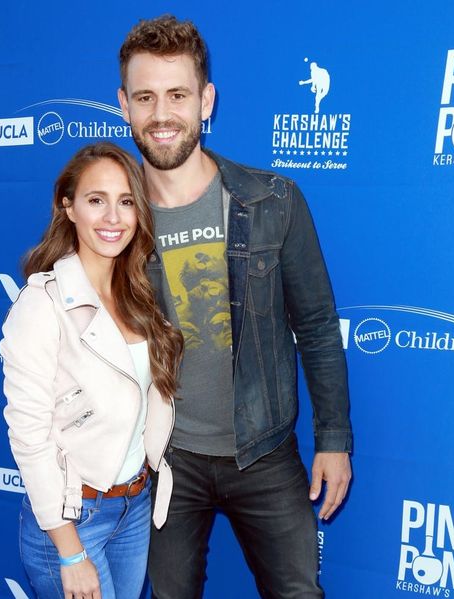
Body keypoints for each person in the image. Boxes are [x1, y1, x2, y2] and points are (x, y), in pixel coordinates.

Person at [117, 15, 353, 599]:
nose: (162, 114)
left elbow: (317, 327)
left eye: (178, 95)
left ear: (206, 101)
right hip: (166, 460)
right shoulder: (113, 221)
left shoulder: (271, 201)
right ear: (124, 106)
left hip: (265, 452)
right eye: (145, 97)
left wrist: (334, 438)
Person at [0, 142, 183, 599]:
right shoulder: (41, 304)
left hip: (134, 506)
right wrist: (69, 552)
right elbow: (29, 436)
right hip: (72, 518)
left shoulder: (139, 295)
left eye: (126, 202)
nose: (113, 218)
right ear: (69, 207)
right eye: (96, 200)